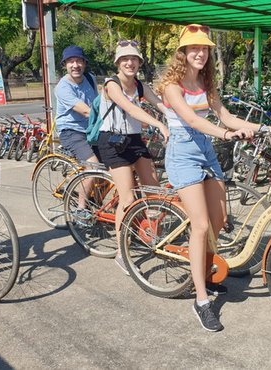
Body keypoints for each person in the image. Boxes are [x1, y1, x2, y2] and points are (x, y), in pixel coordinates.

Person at [157, 24, 271, 332]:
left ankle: (207, 271)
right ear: (182, 53)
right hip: (183, 155)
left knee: (219, 221)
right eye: (193, 48)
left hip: (206, 150)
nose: (200, 52)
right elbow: (192, 119)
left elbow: (226, 115)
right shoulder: (172, 85)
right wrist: (226, 134)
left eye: (205, 48)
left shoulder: (207, 82)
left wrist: (266, 129)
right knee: (199, 226)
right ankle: (200, 300)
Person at [96, 40, 169, 274]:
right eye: (125, 59)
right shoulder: (111, 84)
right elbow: (131, 109)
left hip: (134, 140)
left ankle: (147, 231)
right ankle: (121, 251)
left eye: (134, 59)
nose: (130, 62)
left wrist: (182, 118)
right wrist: (158, 124)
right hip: (112, 141)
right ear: (118, 62)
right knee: (127, 198)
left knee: (154, 189)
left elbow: (161, 105)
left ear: (139, 62)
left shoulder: (140, 85)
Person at [55, 45, 99, 217]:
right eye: (71, 61)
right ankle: (81, 208)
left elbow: (97, 104)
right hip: (71, 131)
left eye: (79, 61)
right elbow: (87, 111)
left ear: (84, 63)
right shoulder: (63, 87)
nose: (75, 65)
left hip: (90, 129)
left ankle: (95, 196)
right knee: (93, 165)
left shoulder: (90, 78)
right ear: (65, 64)